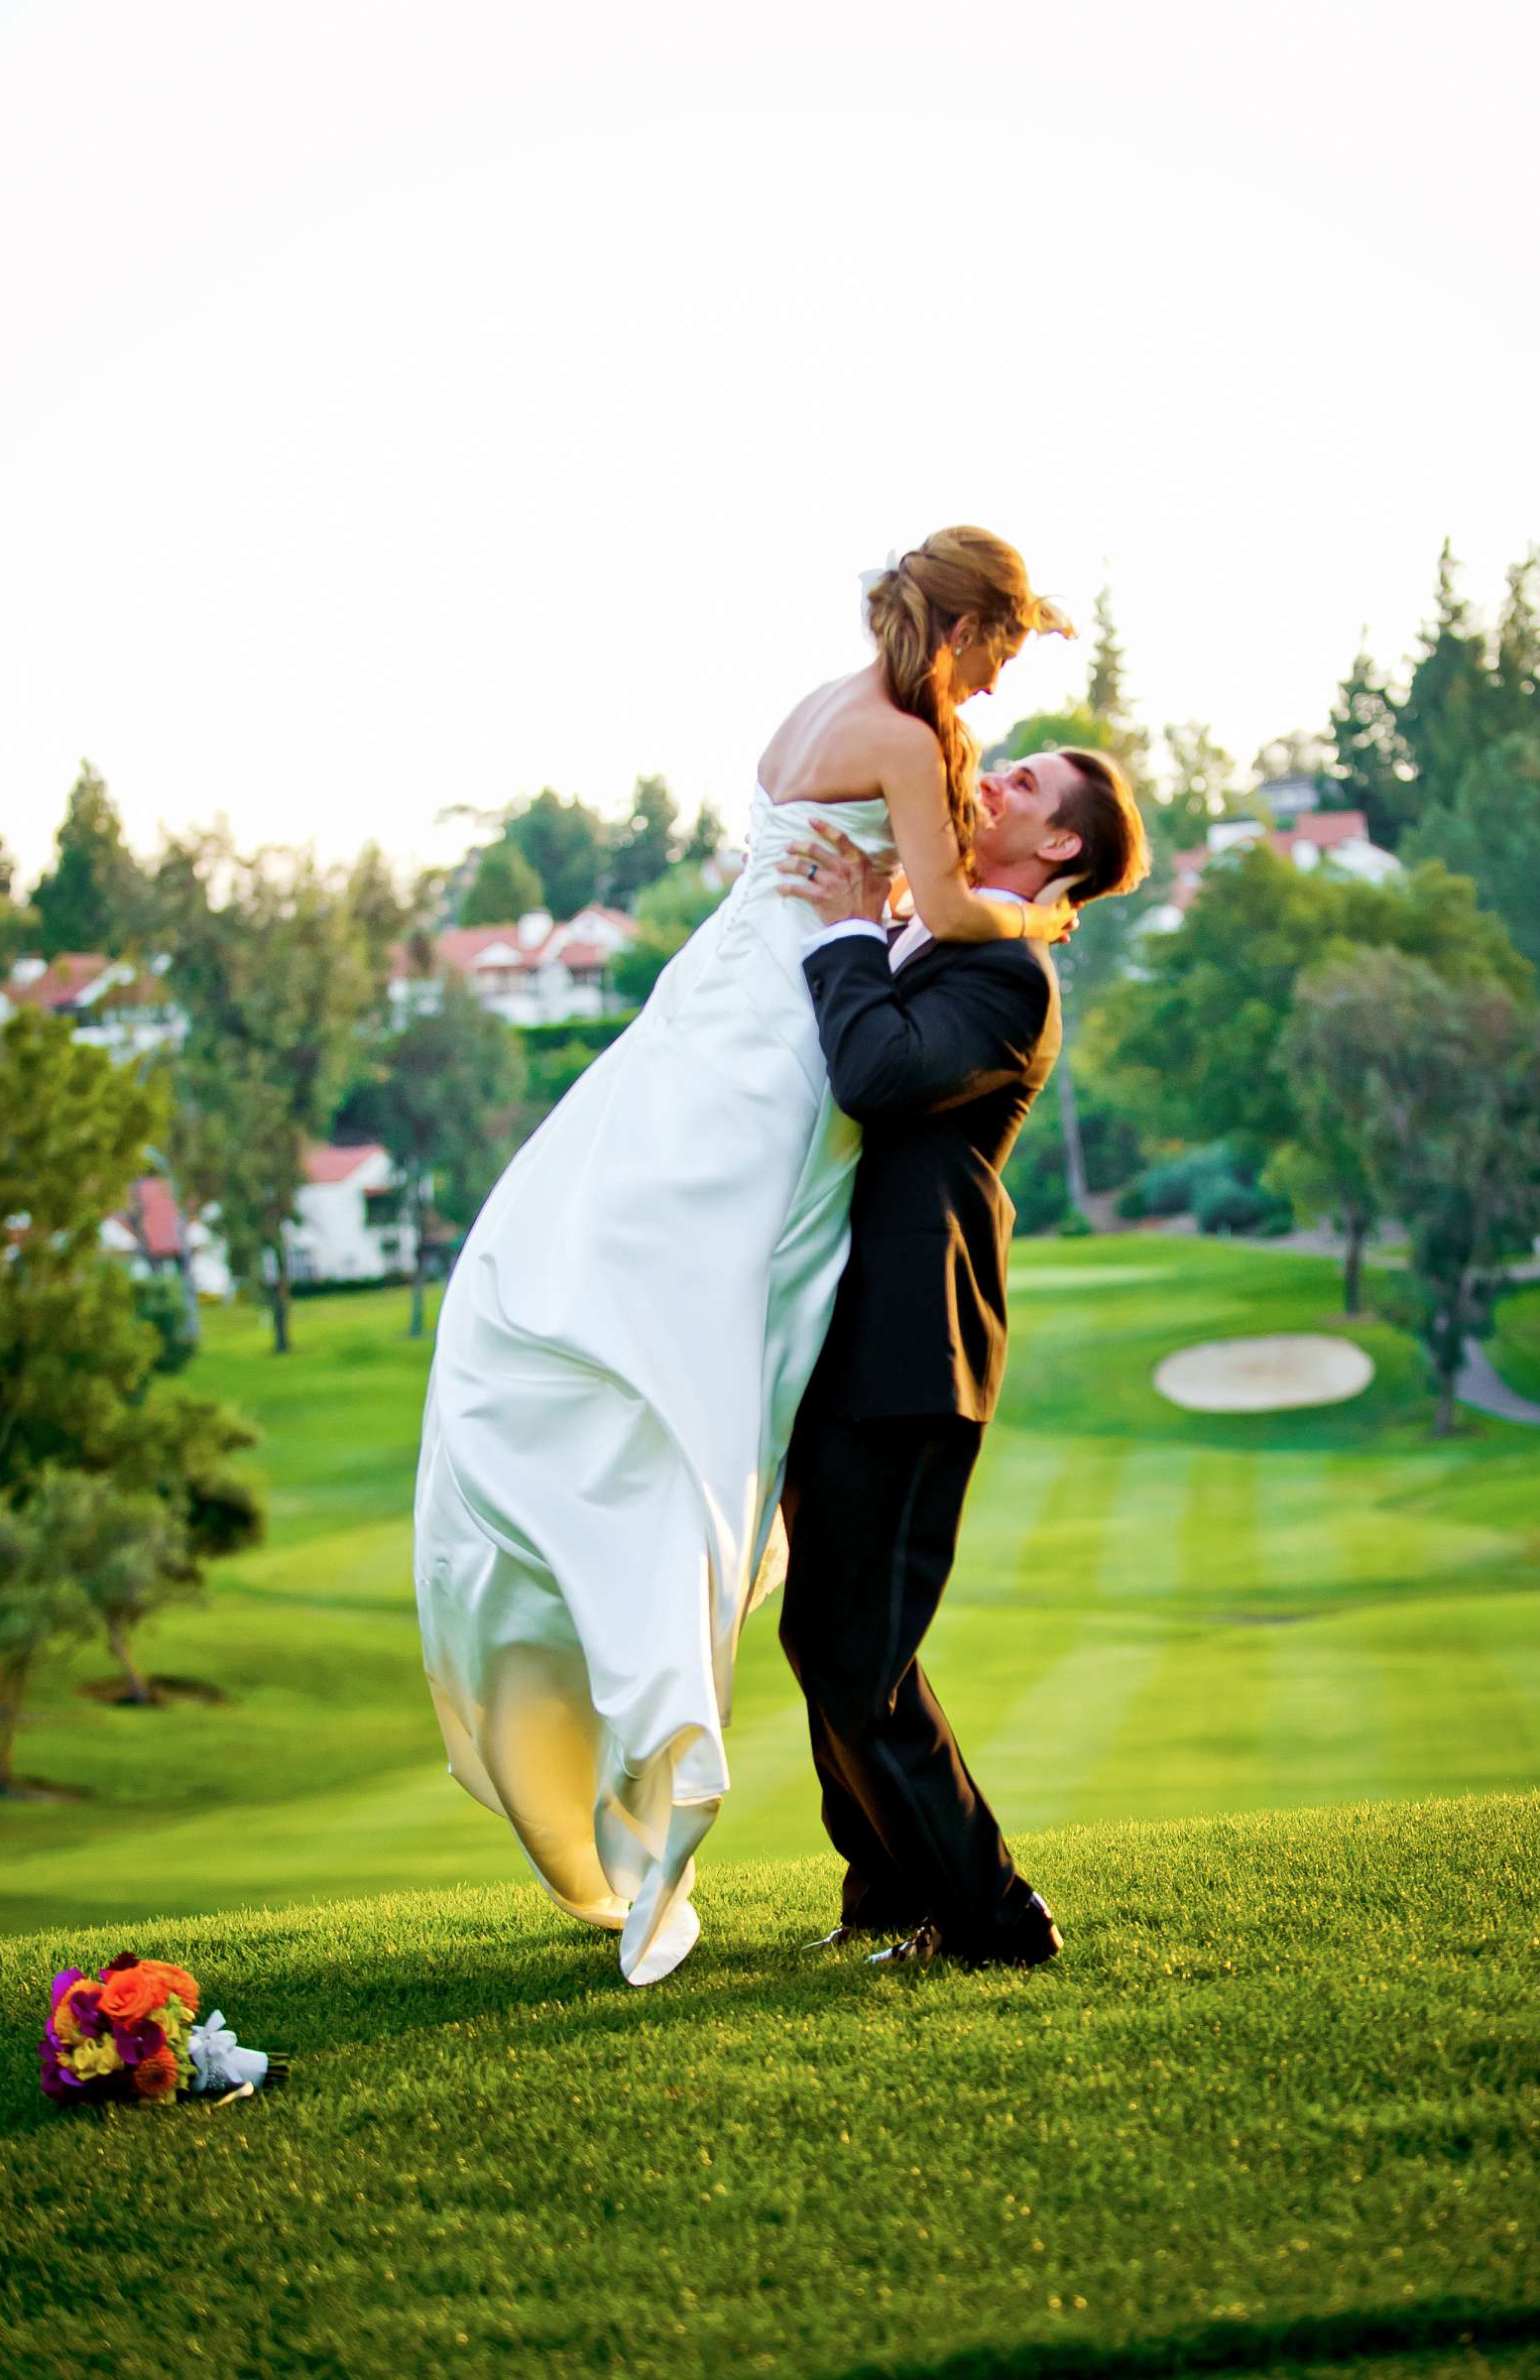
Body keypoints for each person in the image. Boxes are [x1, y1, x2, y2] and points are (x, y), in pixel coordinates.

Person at [415, 529, 1076, 1987]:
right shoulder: (915, 757)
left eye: (1027, 782)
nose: (997, 725)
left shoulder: (848, 740)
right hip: (796, 1038)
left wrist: (887, 927)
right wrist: (971, 913)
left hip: (766, 1042)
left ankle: (971, 1909)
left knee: (843, 1627)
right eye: (1005, 657)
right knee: (829, 1606)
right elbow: (941, 921)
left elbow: (890, 1006)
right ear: (969, 627)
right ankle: (910, 1890)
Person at [776, 748, 1149, 1968]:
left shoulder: (1009, 974)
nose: (999, 777)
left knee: (858, 1657)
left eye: (1030, 785)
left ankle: (997, 1920)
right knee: (825, 1643)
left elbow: (878, 1076)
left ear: (1059, 853)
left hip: (912, 1345)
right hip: (846, 1344)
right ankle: (888, 1894)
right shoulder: (939, 938)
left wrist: (839, 940)